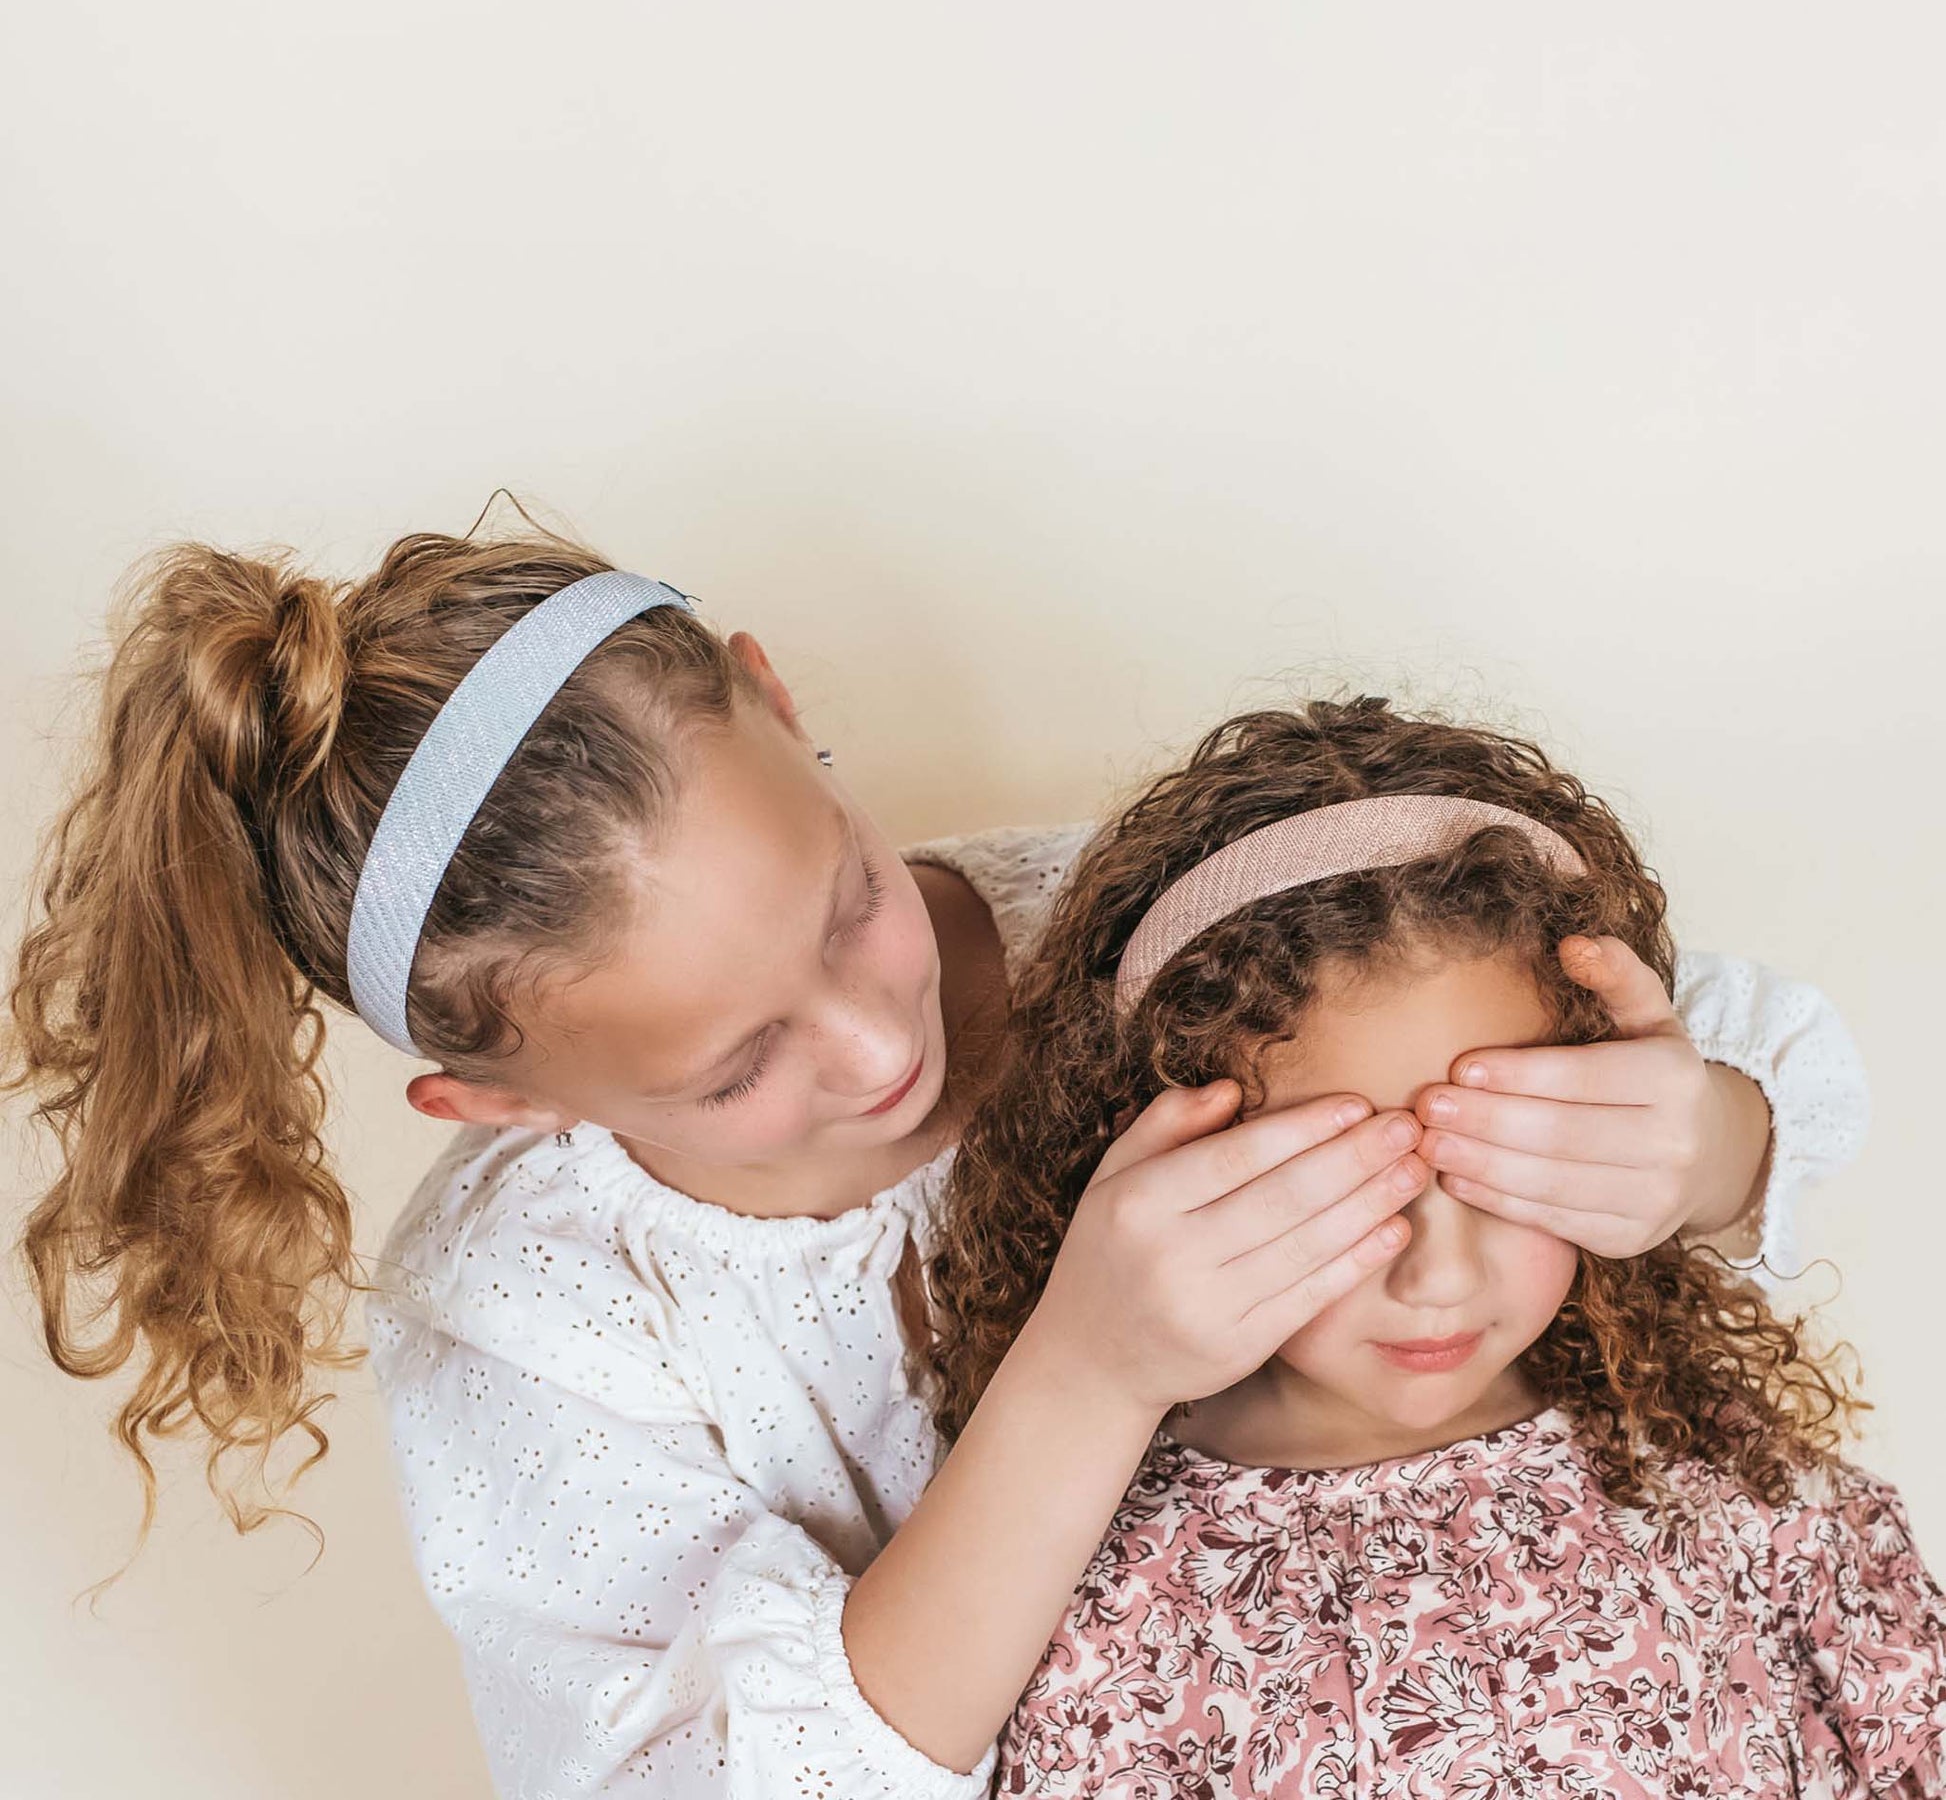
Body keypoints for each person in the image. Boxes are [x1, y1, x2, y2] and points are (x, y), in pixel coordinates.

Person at [8, 530, 1866, 1796]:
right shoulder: (531, 1320)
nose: (883, 1045)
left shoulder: (1153, 924)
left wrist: (1698, 1139)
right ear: (507, 1104)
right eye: (739, 1069)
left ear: (772, 691)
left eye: (852, 903)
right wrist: (1085, 1371)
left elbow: (1686, 1048)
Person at [927, 698, 1935, 1798]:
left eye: (1503, 1175)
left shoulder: (1732, 1494)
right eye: (1346, 1190)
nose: (1437, 1274)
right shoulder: (1084, 1586)